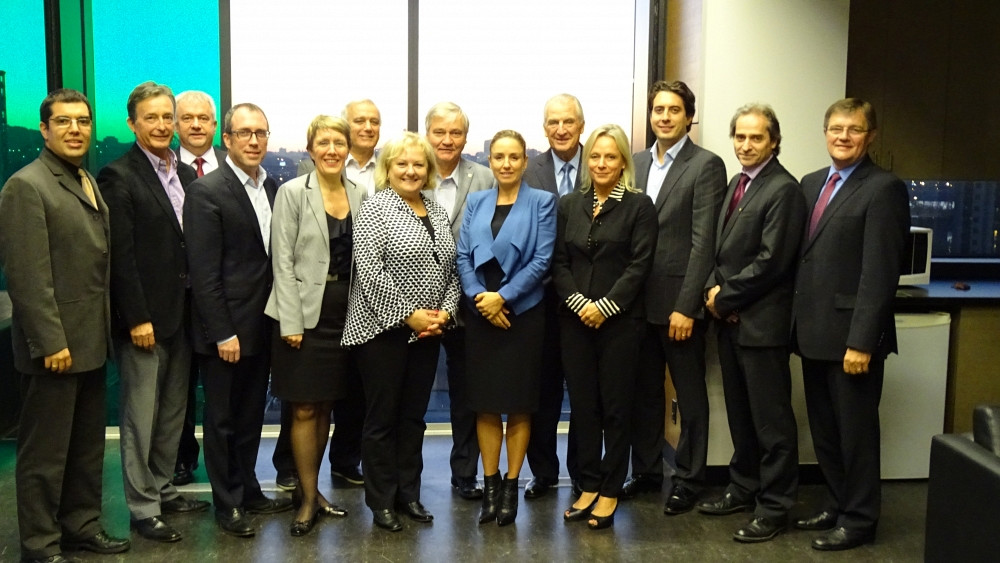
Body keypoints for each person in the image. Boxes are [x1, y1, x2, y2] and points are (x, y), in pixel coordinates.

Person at [0, 88, 131, 562]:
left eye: (83, 121)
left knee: (84, 449)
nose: (75, 129)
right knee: (44, 457)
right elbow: (28, 276)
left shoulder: (83, 180)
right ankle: (40, 545)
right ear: (44, 129)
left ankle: (80, 526)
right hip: (54, 348)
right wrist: (50, 341)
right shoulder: (26, 185)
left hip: (90, 343)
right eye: (64, 121)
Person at [791, 98, 910, 551]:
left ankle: (860, 520)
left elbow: (880, 273)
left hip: (852, 341)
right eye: (836, 128)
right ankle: (837, 503)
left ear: (871, 136)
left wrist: (862, 341)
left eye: (854, 129)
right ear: (825, 132)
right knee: (825, 430)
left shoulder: (884, 188)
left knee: (856, 434)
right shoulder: (811, 183)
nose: (843, 136)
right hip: (813, 332)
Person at [98, 81, 210, 544]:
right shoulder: (118, 175)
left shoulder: (184, 175)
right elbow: (120, 256)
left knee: (172, 413)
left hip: (183, 314)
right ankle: (143, 507)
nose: (162, 125)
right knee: (140, 417)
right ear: (133, 123)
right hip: (145, 320)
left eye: (168, 117)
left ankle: (164, 487)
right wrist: (136, 317)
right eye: (152, 117)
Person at [698, 103, 806, 542]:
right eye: (740, 137)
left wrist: (723, 297)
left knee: (772, 424)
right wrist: (712, 291)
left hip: (762, 327)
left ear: (774, 141)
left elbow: (772, 263)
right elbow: (719, 250)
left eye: (756, 138)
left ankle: (775, 507)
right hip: (731, 322)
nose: (746, 145)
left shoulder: (784, 190)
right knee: (742, 418)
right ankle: (743, 488)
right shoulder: (737, 184)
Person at [184, 102, 293, 538]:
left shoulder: (270, 187)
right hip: (227, 331)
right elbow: (204, 274)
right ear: (226, 139)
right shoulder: (207, 191)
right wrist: (222, 332)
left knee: (250, 417)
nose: (254, 140)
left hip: (262, 326)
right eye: (245, 133)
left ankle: (248, 490)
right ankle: (226, 503)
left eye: (261, 133)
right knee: (223, 421)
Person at [342, 132, 461, 532]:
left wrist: (445, 312)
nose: (411, 171)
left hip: (428, 333)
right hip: (380, 333)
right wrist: (409, 316)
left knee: (413, 418)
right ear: (388, 169)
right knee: (382, 419)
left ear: (428, 170)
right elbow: (370, 272)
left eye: (418, 164)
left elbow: (451, 269)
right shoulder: (375, 208)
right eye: (402, 164)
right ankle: (381, 501)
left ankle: (408, 495)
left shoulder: (435, 209)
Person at [625, 80, 727, 514]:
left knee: (688, 395)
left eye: (673, 110)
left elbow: (704, 242)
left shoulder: (706, 165)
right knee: (643, 392)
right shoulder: (635, 163)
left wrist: (686, 306)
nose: (664, 117)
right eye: (658, 109)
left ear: (689, 116)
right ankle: (647, 472)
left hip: (679, 303)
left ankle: (688, 478)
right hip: (635, 303)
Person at [553, 124, 657, 530]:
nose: (601, 163)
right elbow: (559, 262)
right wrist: (581, 305)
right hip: (575, 322)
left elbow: (639, 266)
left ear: (623, 163)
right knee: (583, 408)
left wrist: (605, 307)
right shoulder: (569, 204)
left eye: (610, 157)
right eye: (595, 156)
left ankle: (611, 488)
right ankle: (589, 484)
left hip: (620, 324)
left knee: (616, 408)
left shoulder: (639, 205)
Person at [265, 115, 363, 536]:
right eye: (323, 142)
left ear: (348, 148)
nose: (331, 150)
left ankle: (316, 491)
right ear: (310, 149)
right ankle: (306, 499)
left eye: (338, 143)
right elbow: (281, 261)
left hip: (348, 313)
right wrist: (291, 321)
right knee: (304, 407)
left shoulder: (362, 192)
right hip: (302, 315)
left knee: (325, 406)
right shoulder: (291, 192)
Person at [456, 130, 557, 526]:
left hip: (523, 315)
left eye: (514, 156)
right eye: (499, 156)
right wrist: (481, 298)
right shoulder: (478, 200)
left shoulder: (543, 203)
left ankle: (512, 487)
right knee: (484, 404)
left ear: (525, 161)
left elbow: (542, 260)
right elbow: (463, 254)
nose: (506, 163)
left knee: (518, 404)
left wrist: (504, 298)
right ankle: (491, 484)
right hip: (482, 314)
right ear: (490, 160)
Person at [423, 101, 493, 501]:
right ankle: (402, 476)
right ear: (427, 133)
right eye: (440, 132)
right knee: (410, 393)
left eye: (456, 133)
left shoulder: (484, 178)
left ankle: (465, 472)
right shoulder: (410, 172)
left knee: (467, 393)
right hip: (417, 307)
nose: (447, 140)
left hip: (469, 303)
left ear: (466, 137)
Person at [520, 93, 585, 500]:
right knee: (541, 392)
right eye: (552, 122)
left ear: (581, 125)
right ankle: (543, 472)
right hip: (540, 301)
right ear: (544, 127)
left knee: (583, 392)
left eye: (568, 122)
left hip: (586, 301)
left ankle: (582, 472)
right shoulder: (528, 170)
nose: (560, 129)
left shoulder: (601, 164)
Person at [171, 89, 226, 487]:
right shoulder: (164, 169)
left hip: (227, 301)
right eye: (187, 118)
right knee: (181, 389)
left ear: (215, 124)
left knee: (224, 393)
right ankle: (181, 460)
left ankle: (228, 466)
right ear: (176, 125)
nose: (195, 125)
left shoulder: (231, 167)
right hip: (178, 300)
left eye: (203, 118)